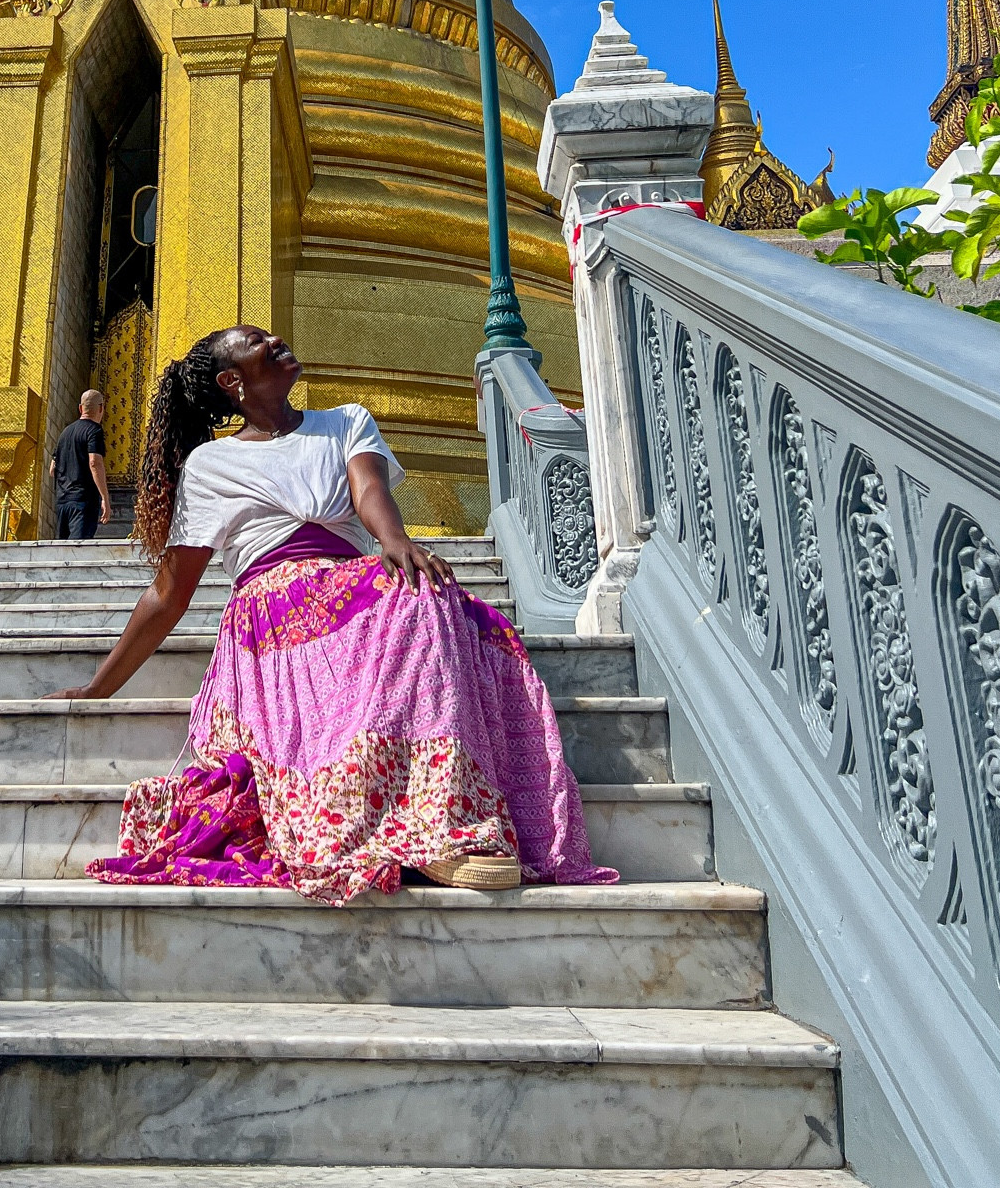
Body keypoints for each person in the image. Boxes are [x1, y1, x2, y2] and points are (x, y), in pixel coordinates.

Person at [52, 325, 615, 906]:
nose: (274, 339)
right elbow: (169, 593)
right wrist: (99, 686)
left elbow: (370, 490)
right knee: (407, 604)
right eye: (255, 341)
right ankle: (405, 823)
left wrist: (394, 539)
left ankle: (441, 815)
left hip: (352, 586)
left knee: (426, 593)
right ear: (231, 381)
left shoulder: (345, 420)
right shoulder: (210, 464)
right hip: (271, 614)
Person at [50, 389, 112, 540]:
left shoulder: (65, 433)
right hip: (83, 501)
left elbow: (52, 469)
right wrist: (105, 498)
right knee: (78, 548)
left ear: (80, 408)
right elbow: (94, 462)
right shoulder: (94, 431)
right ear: (101, 408)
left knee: (63, 550)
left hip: (63, 501)